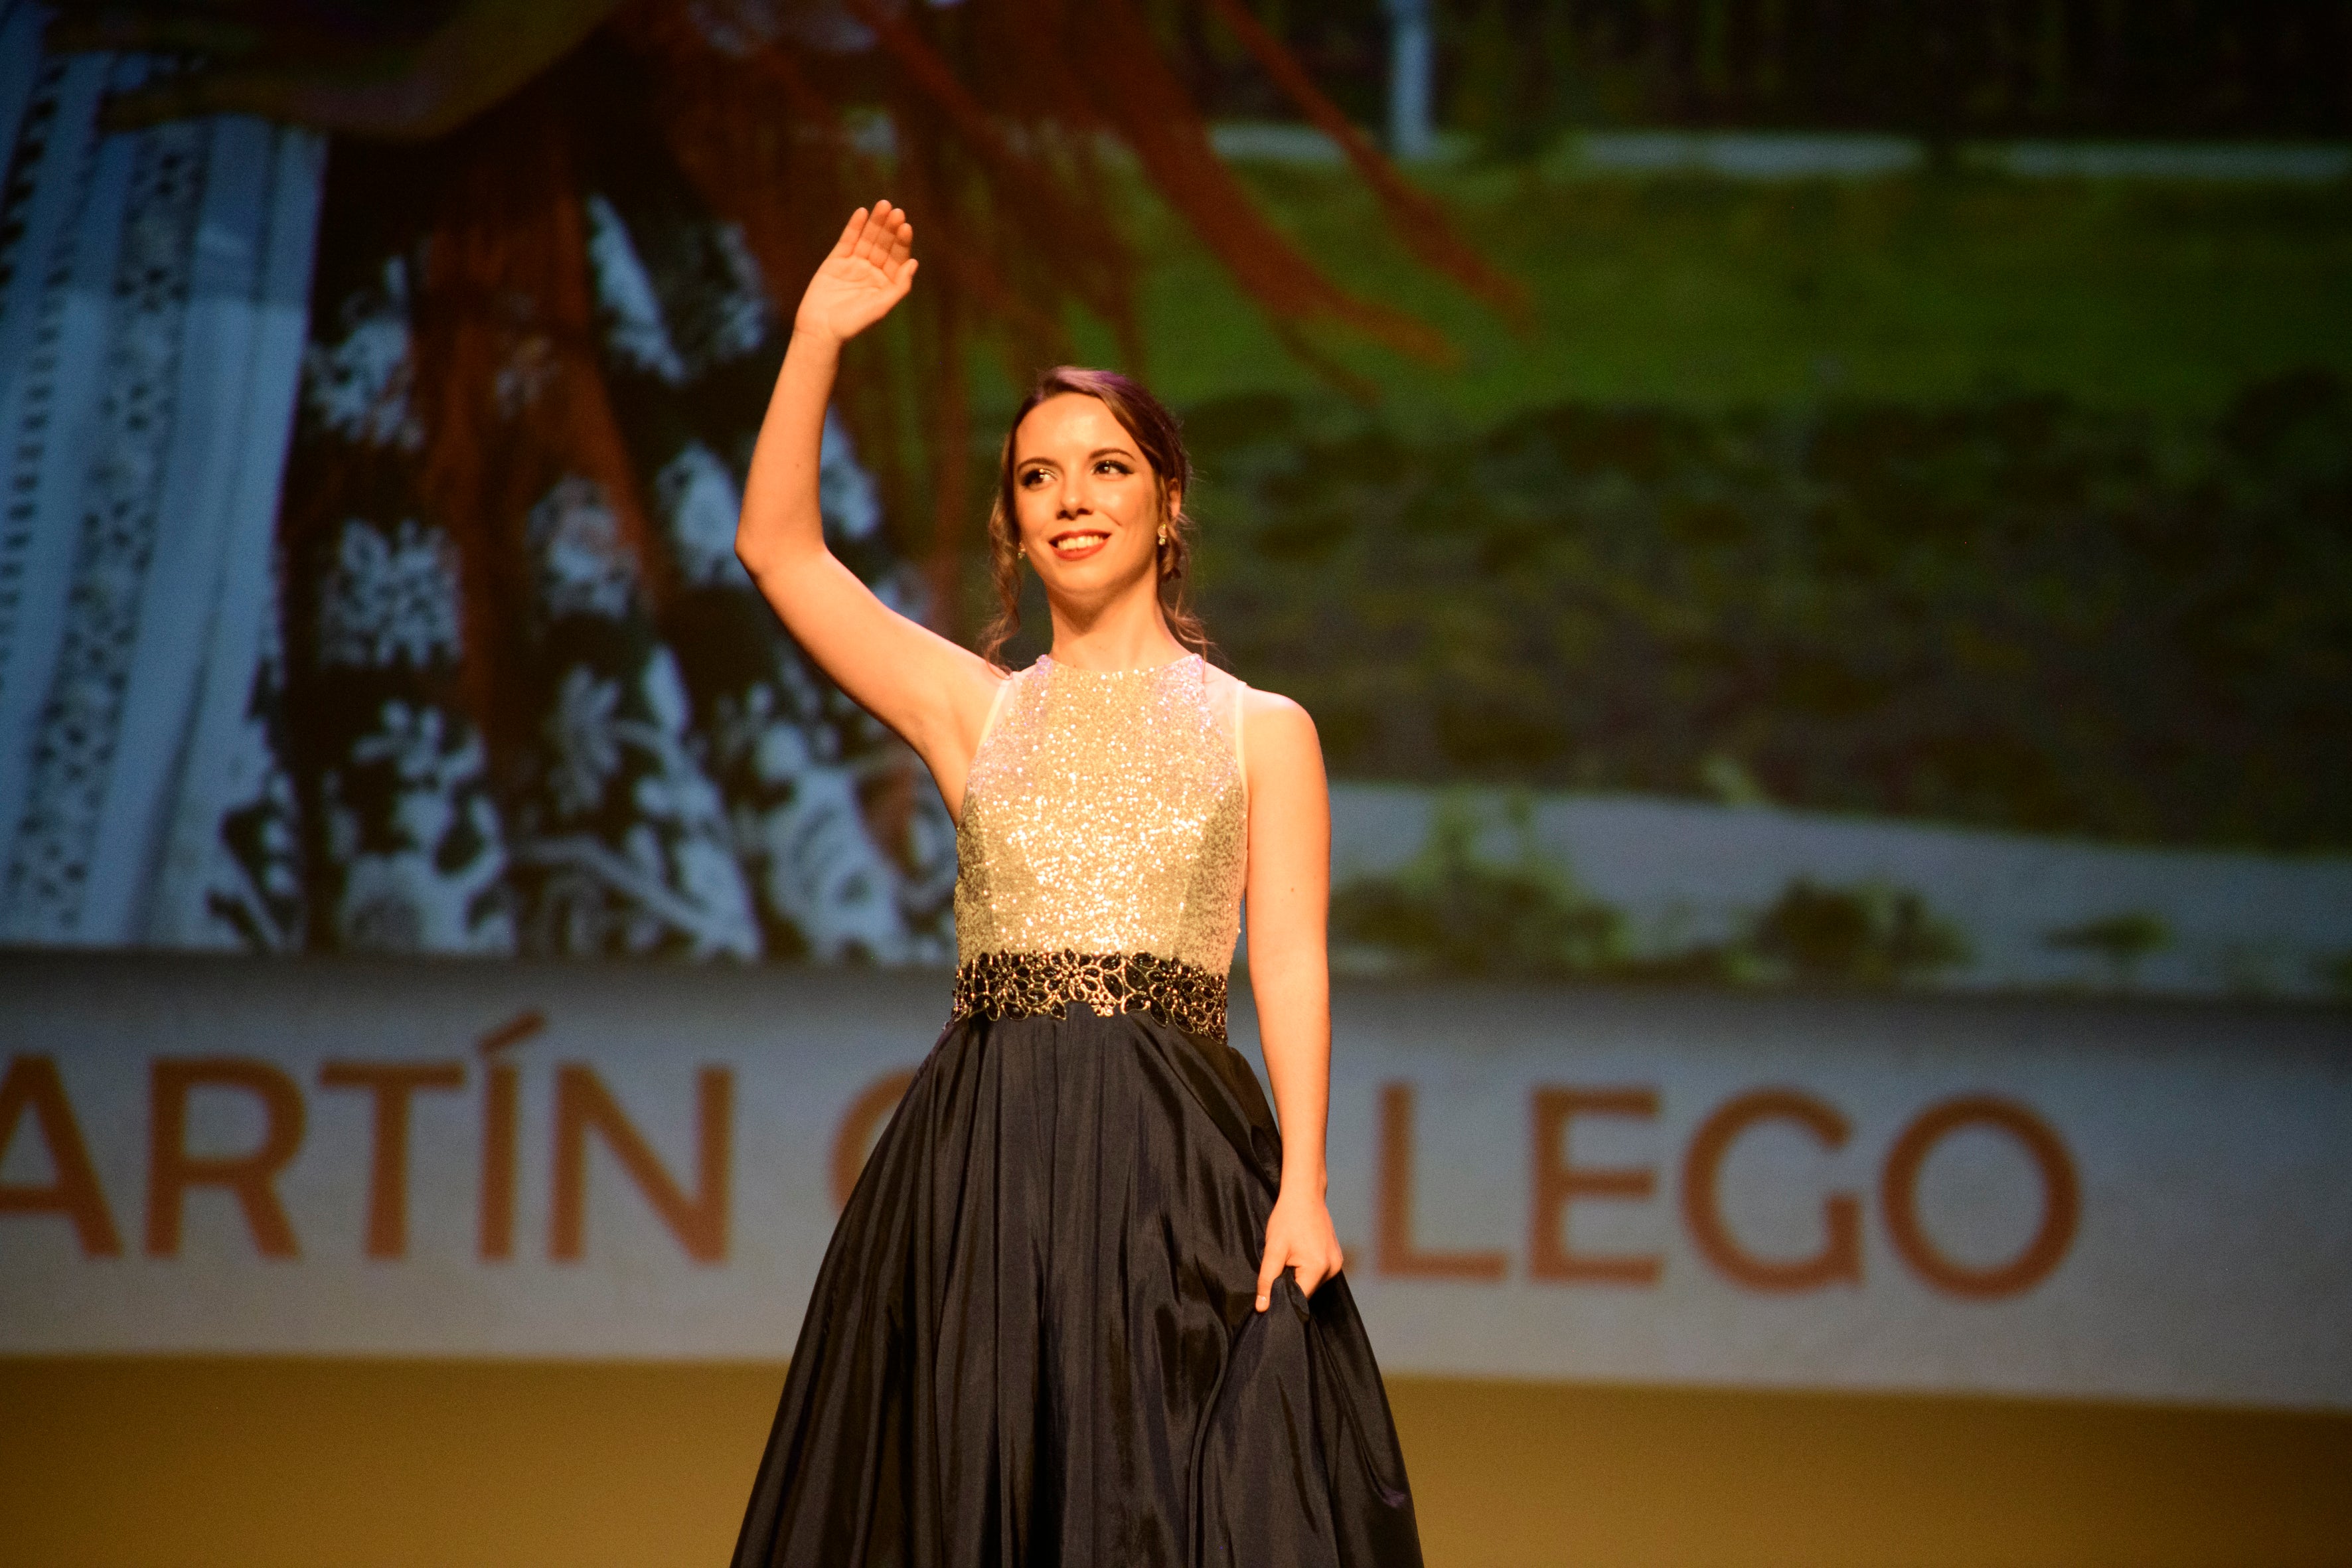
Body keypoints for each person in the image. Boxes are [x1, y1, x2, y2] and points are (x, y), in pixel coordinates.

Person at [729, 201, 1423, 1568]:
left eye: (1106, 468)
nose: (1072, 497)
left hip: (1178, 1156)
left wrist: (1305, 1181)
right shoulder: (972, 711)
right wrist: (815, 335)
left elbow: (1287, 957)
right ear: (1011, 520)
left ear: (1167, 506)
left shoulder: (1258, 726)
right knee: (974, 1491)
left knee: (1172, 1500)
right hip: (984, 1155)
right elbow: (777, 551)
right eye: (1038, 476)